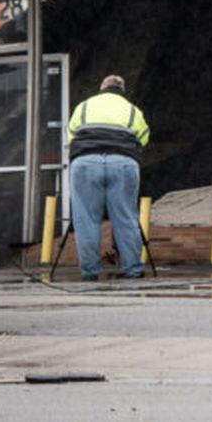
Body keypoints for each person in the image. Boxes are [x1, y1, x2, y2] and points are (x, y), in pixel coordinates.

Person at [66, 74, 150, 280]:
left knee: (86, 219)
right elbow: (144, 138)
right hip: (122, 163)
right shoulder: (132, 110)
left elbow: (70, 136)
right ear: (122, 90)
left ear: (101, 88)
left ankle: (90, 272)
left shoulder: (83, 107)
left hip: (86, 163)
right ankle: (133, 269)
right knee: (125, 217)